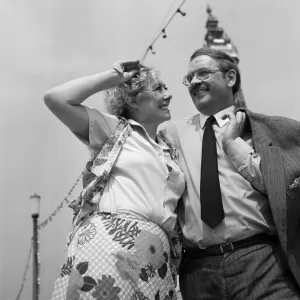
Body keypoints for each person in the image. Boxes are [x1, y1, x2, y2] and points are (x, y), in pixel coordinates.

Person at [160, 48, 300, 299]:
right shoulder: (171, 134)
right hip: (198, 270)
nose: (194, 82)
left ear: (231, 78)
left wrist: (232, 143)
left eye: (203, 73)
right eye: (189, 77)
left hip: (262, 260)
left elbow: (283, 186)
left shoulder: (265, 130)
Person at [44, 60, 185, 300]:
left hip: (155, 257)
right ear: (133, 99)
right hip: (110, 247)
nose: (168, 94)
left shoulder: (169, 150)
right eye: (159, 88)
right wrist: (114, 77)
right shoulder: (116, 130)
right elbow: (56, 99)